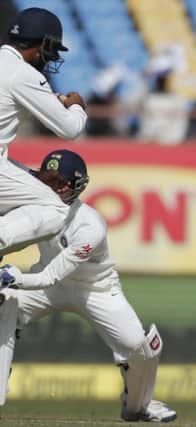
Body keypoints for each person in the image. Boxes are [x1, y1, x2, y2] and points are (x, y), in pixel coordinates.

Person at [0, 150, 177, 422]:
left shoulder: (90, 226)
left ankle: (139, 406)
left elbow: (50, 276)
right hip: (45, 289)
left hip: (96, 290)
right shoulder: (34, 202)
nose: (54, 188)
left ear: (78, 186)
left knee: (141, 347)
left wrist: (15, 277)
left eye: (61, 183)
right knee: (3, 301)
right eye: (48, 180)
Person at [0, 7, 87, 257]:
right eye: (51, 49)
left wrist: (30, 174)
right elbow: (69, 129)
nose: (50, 57)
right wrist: (77, 106)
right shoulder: (22, 72)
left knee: (21, 208)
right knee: (54, 208)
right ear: (42, 43)